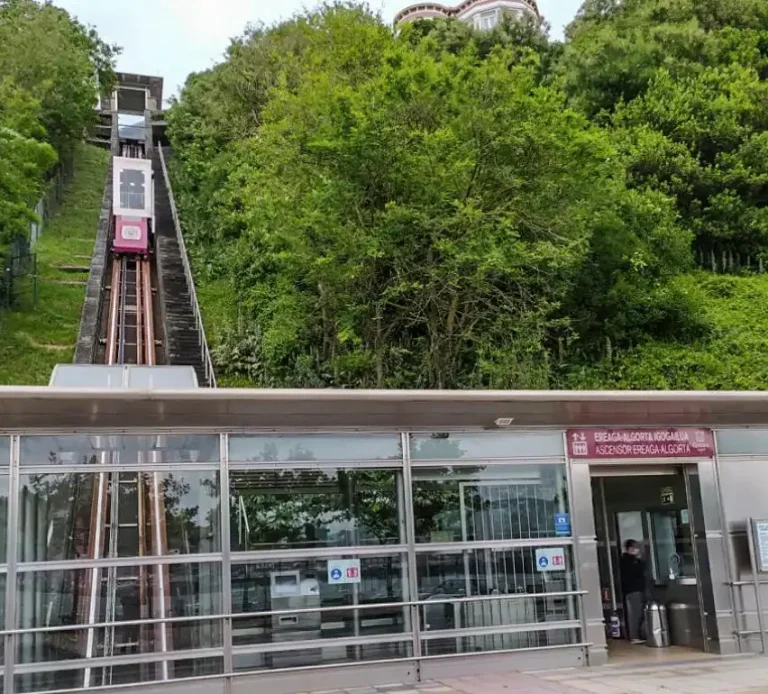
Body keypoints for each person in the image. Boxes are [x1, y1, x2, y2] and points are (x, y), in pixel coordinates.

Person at [620, 539, 647, 644]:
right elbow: (637, 571)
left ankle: (637, 635)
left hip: (635, 589)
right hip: (633, 590)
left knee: (638, 612)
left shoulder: (630, 560)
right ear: (630, 548)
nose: (637, 550)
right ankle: (634, 636)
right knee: (635, 614)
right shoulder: (628, 561)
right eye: (635, 547)